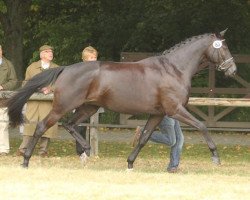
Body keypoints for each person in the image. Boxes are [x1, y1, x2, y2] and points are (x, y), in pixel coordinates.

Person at [17, 45, 59, 157]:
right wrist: (37, 88)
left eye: (51, 51)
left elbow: (60, 84)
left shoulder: (57, 68)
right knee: (30, 124)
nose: (50, 53)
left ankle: (43, 151)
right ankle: (22, 149)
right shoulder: (32, 67)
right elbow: (25, 83)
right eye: (47, 52)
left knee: (47, 125)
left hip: (49, 103)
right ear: (41, 55)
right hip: (34, 102)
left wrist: (50, 89)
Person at [75, 46, 98, 156]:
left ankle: (88, 151)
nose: (93, 60)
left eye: (94, 57)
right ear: (84, 59)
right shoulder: (79, 71)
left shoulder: (98, 71)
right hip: (80, 103)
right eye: (91, 58)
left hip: (93, 103)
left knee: (91, 127)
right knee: (79, 126)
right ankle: (81, 151)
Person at [0, 44, 17, 156]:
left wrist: (2, 87)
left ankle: (3, 149)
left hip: (2, 100)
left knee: (3, 125)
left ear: (2, 51)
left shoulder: (8, 64)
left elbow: (14, 81)